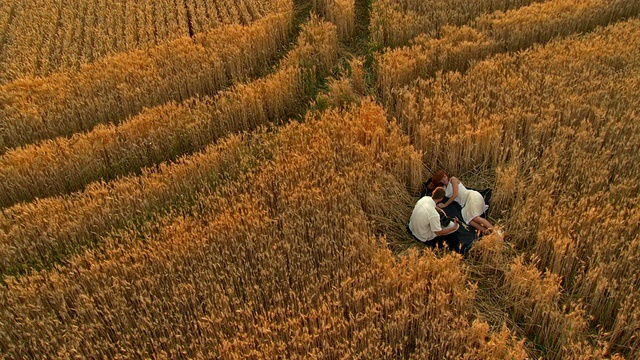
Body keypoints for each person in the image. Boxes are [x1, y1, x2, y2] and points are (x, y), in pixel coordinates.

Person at [431, 170, 494, 235]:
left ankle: (495, 231)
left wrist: (445, 204)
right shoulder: (443, 188)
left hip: (471, 196)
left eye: (444, 177)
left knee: (476, 218)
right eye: (441, 179)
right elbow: (437, 194)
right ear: (439, 181)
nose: (444, 179)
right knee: (470, 221)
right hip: (465, 204)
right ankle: (488, 233)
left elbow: (455, 194)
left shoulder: (453, 179)